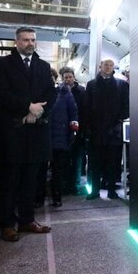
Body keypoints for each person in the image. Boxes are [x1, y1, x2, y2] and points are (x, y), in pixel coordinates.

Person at [0, 27, 56, 242]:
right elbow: (0, 93)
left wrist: (38, 112)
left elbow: (50, 94)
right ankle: (7, 223)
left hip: (35, 132)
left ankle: (27, 220)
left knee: (31, 180)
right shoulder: (3, 64)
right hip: (12, 132)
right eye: (26, 40)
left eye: (33, 40)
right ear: (16, 41)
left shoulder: (43, 66)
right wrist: (27, 107)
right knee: (9, 180)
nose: (30, 43)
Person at [85, 58, 129, 200]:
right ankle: (95, 191)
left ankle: (111, 190)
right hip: (96, 131)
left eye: (111, 65)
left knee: (113, 162)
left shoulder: (121, 85)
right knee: (95, 162)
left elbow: (126, 105)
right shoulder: (91, 85)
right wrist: (88, 127)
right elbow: (87, 106)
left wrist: (119, 120)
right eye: (106, 65)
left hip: (114, 131)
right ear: (100, 67)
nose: (108, 67)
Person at [47, 72, 79, 207]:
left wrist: (73, 126)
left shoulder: (65, 93)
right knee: (39, 169)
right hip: (42, 137)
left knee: (58, 169)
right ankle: (37, 197)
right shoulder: (36, 91)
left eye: (52, 77)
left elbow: (73, 112)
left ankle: (57, 196)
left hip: (60, 137)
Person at [62, 67, 88, 195]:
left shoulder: (82, 92)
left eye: (69, 77)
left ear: (74, 77)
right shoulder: (60, 91)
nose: (67, 79)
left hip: (79, 131)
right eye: (65, 77)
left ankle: (75, 185)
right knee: (65, 160)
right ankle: (65, 184)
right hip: (63, 132)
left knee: (77, 160)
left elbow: (85, 111)